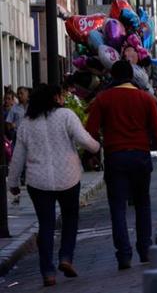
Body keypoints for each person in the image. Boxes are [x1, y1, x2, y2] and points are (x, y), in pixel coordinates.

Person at [8, 84, 101, 287]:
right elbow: (86, 141)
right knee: (70, 217)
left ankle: (48, 272)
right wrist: (97, 147)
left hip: (38, 181)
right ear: (55, 98)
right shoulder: (66, 116)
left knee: (46, 224)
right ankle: (66, 257)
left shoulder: (26, 123)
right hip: (68, 177)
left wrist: (13, 183)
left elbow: (17, 157)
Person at [85, 61, 157, 270]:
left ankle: (123, 255)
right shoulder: (146, 99)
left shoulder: (103, 99)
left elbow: (91, 130)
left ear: (112, 77)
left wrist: (92, 155)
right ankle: (144, 249)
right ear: (132, 76)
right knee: (142, 204)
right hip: (141, 157)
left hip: (115, 157)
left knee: (117, 207)